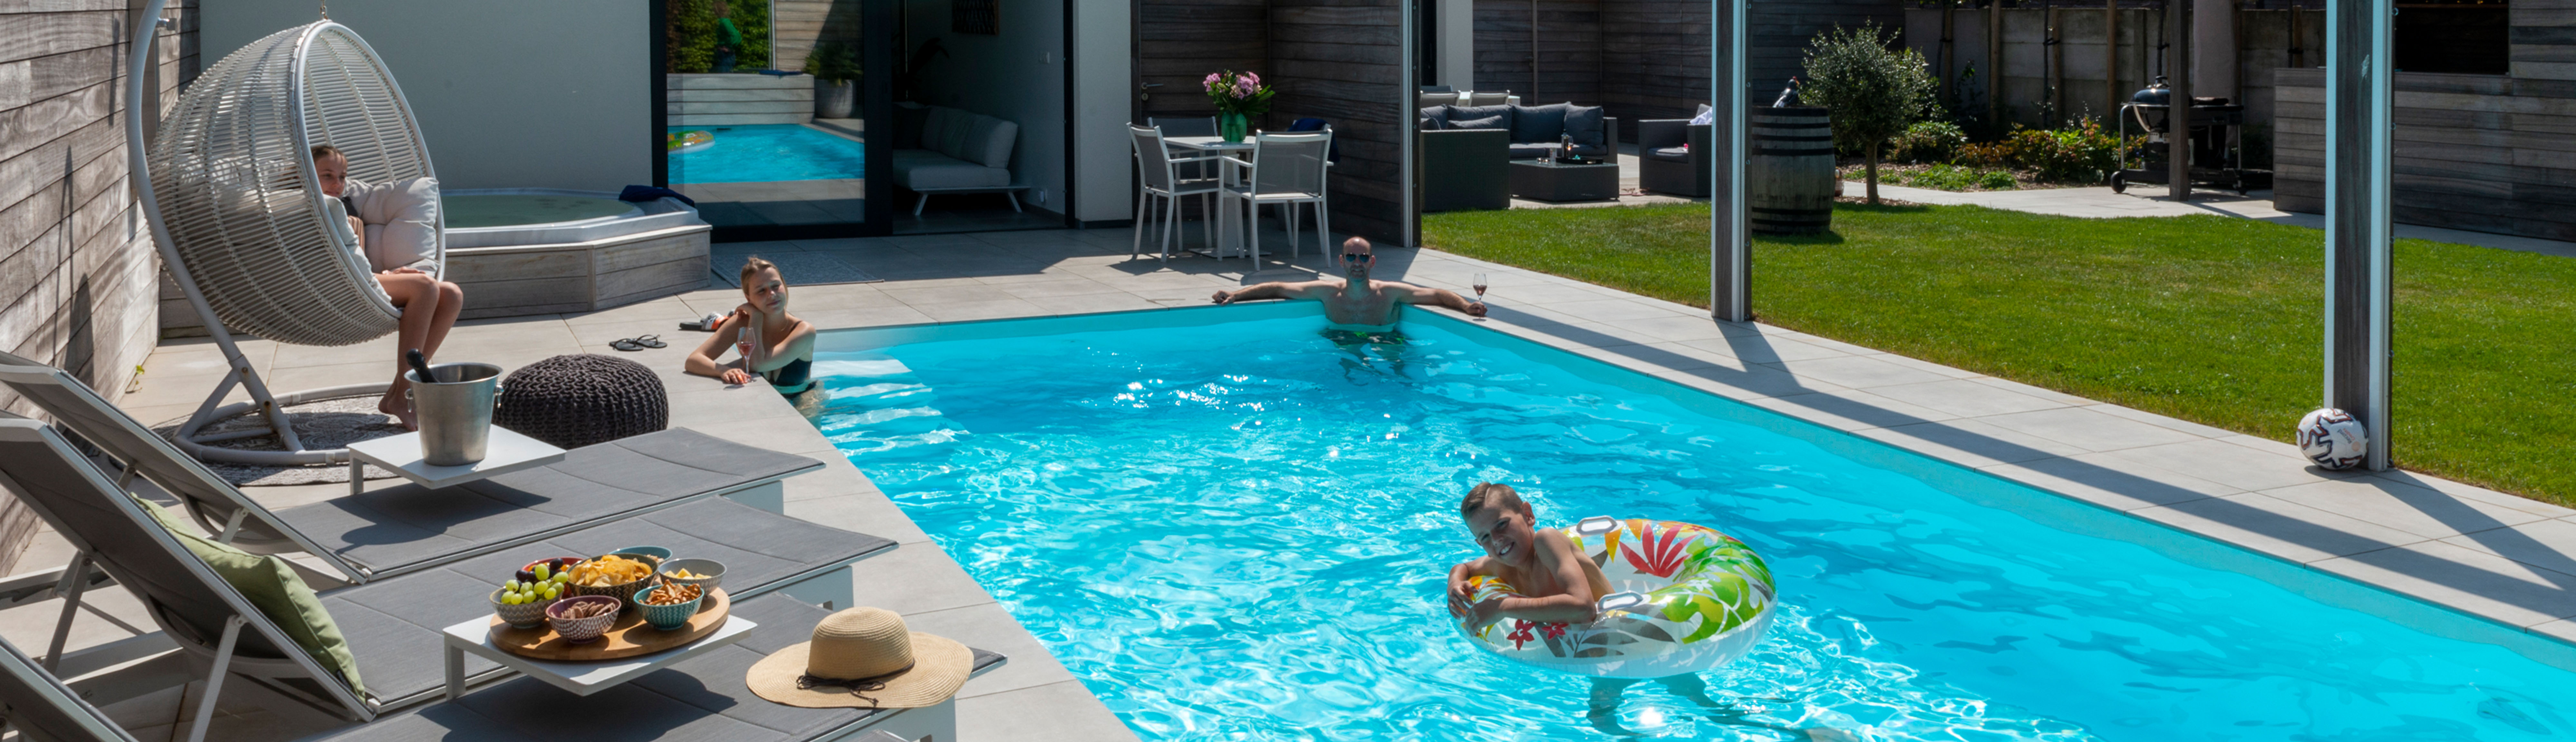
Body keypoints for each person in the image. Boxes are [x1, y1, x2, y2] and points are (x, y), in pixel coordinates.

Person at [312, 144, 462, 430]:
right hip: (328, 287)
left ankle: (397, 393)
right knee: (424, 287)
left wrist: (391, 275)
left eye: (342, 177)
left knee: (451, 295)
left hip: (359, 279)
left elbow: (355, 260)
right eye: (327, 175)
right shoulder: (303, 210)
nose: (338, 184)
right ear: (305, 174)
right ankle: (406, 396)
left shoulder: (344, 207)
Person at [1208, 237, 1486, 334]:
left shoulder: (1390, 293)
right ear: (1342, 261)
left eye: (1363, 257)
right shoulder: (1328, 292)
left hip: (1384, 344)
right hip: (1340, 344)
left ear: (1372, 262)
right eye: (1351, 257)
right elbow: (1279, 287)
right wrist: (1236, 294)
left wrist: (1465, 307)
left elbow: (1437, 294)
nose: (1357, 262)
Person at [1444, 483, 1610, 632]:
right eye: (1485, 537)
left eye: (1502, 524)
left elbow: (1584, 608)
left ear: (1527, 514)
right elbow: (1464, 568)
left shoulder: (1547, 541)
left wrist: (1502, 608)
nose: (1496, 540)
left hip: (1613, 628)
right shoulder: (1502, 566)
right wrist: (1454, 584)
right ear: (1481, 545)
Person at [687, 256, 817, 394]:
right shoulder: (742, 323)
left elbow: (757, 365)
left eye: (776, 286)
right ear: (748, 298)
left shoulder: (804, 331)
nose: (772, 295)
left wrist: (756, 316)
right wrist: (723, 370)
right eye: (761, 291)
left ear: (784, 286)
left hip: (804, 400)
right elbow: (693, 360)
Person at [713, 1, 742, 73]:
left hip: (724, 55)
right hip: (719, 53)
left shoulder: (724, 22)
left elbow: (737, 37)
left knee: (723, 77)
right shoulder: (718, 22)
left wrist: (728, 47)